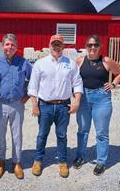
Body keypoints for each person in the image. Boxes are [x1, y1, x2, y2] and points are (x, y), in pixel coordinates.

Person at [28, 34, 83, 178]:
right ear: (49, 46)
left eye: (59, 44)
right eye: (54, 44)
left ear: (63, 47)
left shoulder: (71, 64)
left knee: (62, 135)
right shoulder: (40, 63)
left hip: (63, 106)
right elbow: (33, 86)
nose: (56, 47)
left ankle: (63, 162)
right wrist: (35, 105)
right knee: (42, 135)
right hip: (45, 106)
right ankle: (38, 160)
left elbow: (77, 84)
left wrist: (76, 102)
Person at [73, 34, 120, 176]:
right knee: (82, 130)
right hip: (83, 97)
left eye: (95, 45)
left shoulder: (106, 60)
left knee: (101, 132)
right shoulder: (80, 60)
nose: (92, 48)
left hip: (101, 98)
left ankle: (101, 161)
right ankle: (80, 156)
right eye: (89, 45)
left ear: (100, 46)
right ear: (86, 47)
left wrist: (113, 84)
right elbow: (72, 77)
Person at [0, 33, 32, 179]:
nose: (10, 47)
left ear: (17, 47)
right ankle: (1, 162)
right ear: (2, 46)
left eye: (12, 45)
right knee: (0, 135)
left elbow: (34, 79)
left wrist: (27, 96)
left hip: (17, 104)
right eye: (7, 44)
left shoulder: (23, 62)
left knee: (17, 135)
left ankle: (16, 163)